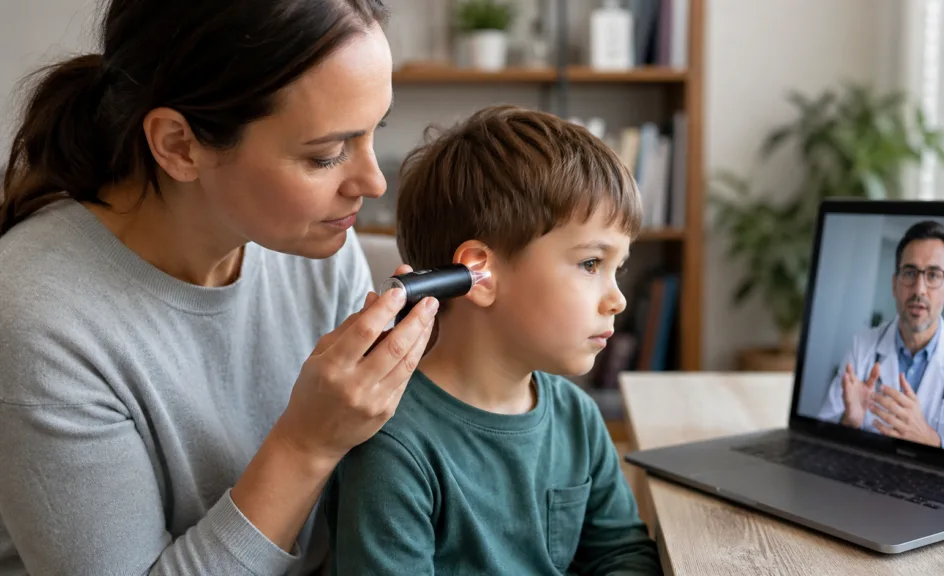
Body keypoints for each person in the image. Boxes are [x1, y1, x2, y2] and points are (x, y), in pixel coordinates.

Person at [0, 1, 440, 574]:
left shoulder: (313, 245)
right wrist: (307, 445)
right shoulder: (37, 318)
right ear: (180, 146)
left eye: (372, 133)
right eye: (326, 155)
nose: (373, 182)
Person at [323, 105, 662, 575]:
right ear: (479, 274)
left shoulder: (576, 417)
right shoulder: (393, 445)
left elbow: (622, 555)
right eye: (590, 264)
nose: (617, 300)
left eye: (616, 269)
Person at [817, 220, 944, 461]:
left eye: (933, 275)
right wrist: (849, 423)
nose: (919, 289)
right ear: (895, 284)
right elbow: (818, 445)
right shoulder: (862, 347)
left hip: (936, 492)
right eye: (910, 273)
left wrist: (930, 440)